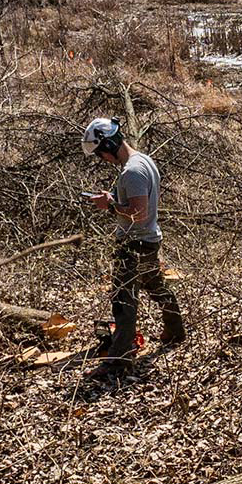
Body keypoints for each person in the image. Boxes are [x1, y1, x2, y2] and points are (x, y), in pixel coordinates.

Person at [81, 118, 185, 376]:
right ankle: (175, 331)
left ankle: (119, 360)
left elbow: (138, 213)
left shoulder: (132, 172)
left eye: (101, 153)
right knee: (156, 286)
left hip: (135, 243)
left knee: (124, 301)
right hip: (148, 239)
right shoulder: (143, 161)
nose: (102, 158)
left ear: (110, 144)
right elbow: (140, 205)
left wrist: (111, 206)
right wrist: (114, 199)